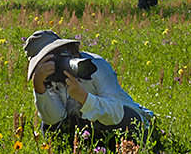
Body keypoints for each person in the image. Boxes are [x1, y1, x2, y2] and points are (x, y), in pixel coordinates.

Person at [24, 30, 154, 140]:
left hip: (125, 124)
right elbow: (53, 120)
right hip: (87, 132)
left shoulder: (96, 65)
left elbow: (117, 114)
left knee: (131, 119)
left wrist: (84, 98)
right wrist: (39, 87)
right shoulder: (48, 76)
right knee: (47, 127)